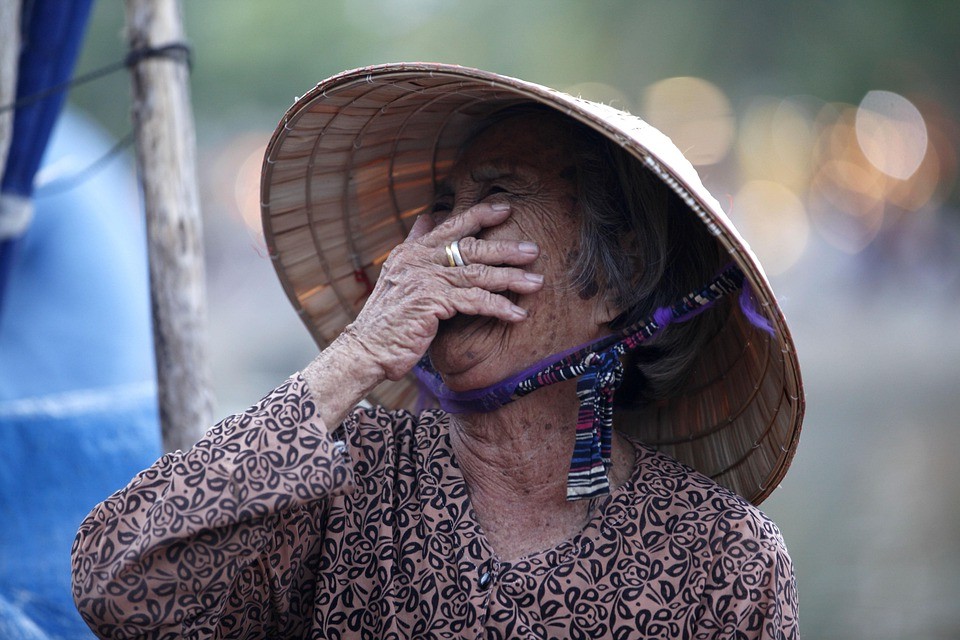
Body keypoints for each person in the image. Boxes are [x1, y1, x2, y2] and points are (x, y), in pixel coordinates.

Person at [72, 64, 803, 639]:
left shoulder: (723, 564)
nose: (441, 244)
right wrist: (357, 353)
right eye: (445, 206)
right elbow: (118, 583)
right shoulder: (347, 483)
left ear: (621, 275)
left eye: (493, 198)